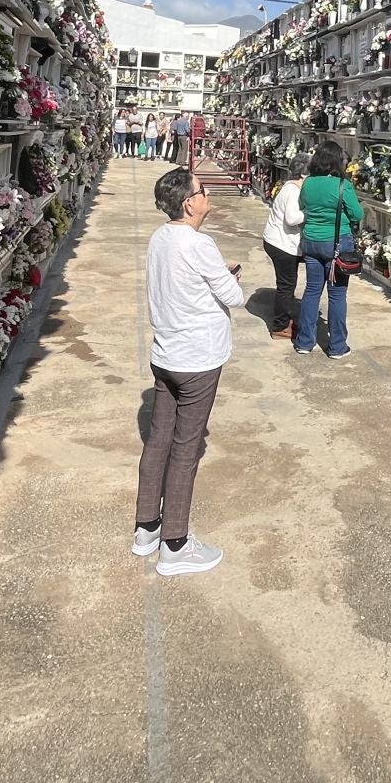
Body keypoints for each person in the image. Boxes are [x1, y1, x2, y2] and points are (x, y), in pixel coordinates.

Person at [134, 167, 243, 577]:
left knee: (158, 440)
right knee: (186, 449)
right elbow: (233, 296)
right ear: (189, 203)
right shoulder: (199, 244)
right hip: (198, 358)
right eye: (203, 190)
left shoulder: (161, 238)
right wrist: (229, 276)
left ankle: (147, 527)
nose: (207, 195)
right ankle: (175, 545)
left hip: (166, 354)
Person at [295, 141, 362, 358]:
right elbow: (357, 215)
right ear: (337, 161)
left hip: (311, 242)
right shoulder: (343, 185)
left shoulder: (308, 183)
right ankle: (337, 346)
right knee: (337, 295)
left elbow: (303, 206)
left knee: (312, 291)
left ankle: (305, 342)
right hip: (337, 245)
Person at [262, 158, 308, 339]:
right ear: (304, 173)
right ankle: (280, 326)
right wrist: (309, 212)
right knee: (286, 285)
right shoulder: (293, 191)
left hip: (276, 241)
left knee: (287, 284)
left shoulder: (289, 188)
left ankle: (284, 319)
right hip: (281, 245)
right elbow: (292, 218)